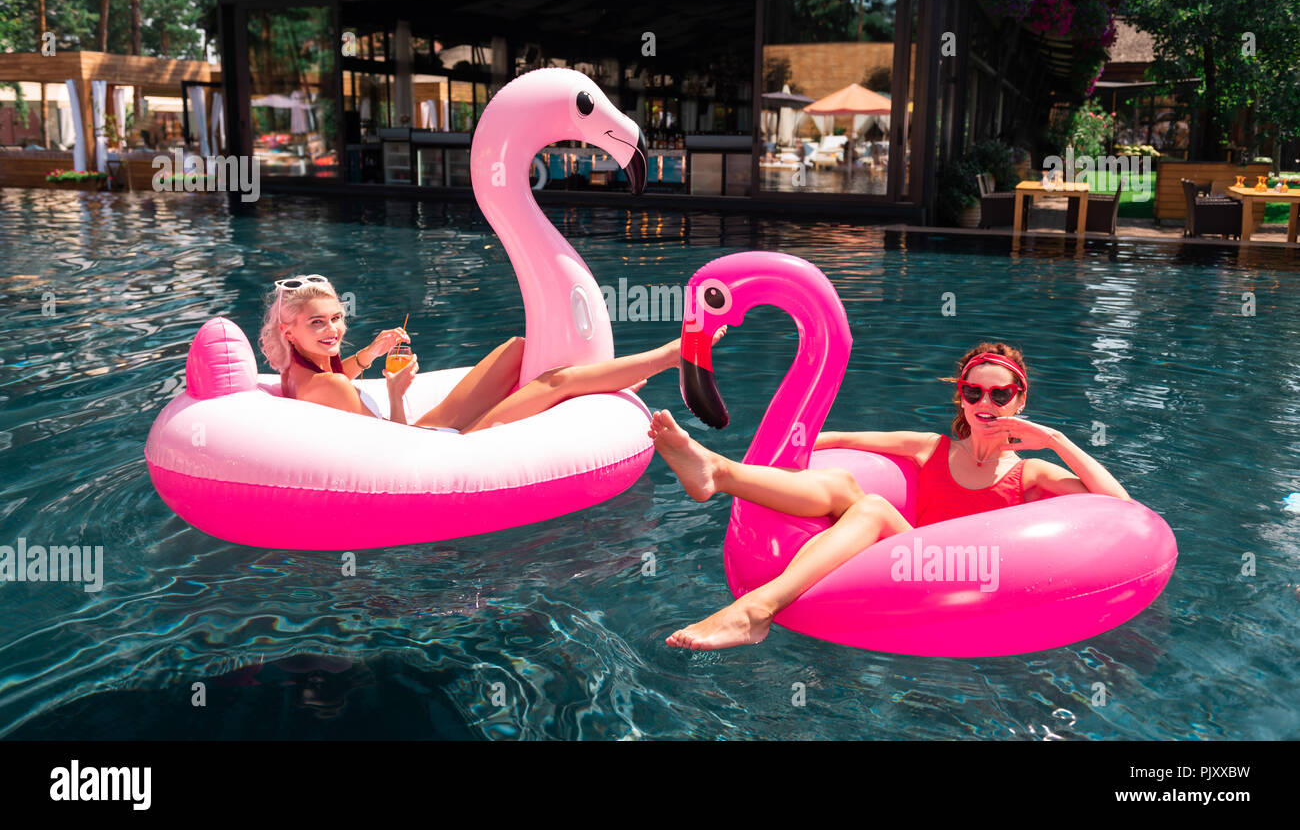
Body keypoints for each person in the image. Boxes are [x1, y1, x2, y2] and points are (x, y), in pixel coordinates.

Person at [649, 341, 1131, 650]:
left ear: (1019, 400)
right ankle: (719, 472)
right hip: (904, 572)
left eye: (1000, 395)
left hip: (968, 580)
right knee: (842, 485)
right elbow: (833, 439)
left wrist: (1057, 441)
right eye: (974, 391)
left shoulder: (1031, 473)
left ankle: (756, 609)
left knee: (873, 507)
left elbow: (1121, 513)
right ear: (961, 396)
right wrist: (782, 444)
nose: (986, 404)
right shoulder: (931, 449)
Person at [257, 273, 722, 434]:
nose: (334, 329)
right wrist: (397, 394)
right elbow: (393, 452)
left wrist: (369, 357)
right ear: (289, 329)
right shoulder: (330, 386)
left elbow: (338, 379)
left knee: (518, 349)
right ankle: (671, 355)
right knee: (553, 382)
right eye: (318, 322)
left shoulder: (294, 370)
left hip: (421, 431)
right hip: (428, 452)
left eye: (336, 317)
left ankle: (611, 381)